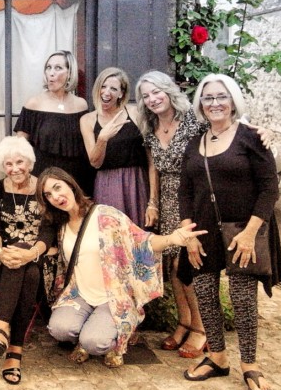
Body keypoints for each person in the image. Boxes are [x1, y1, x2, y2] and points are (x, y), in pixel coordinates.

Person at [178, 74, 281, 390]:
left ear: (233, 100)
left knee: (242, 298)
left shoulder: (251, 137)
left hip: (242, 231)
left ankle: (250, 365)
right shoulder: (195, 141)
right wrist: (188, 234)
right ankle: (218, 358)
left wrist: (251, 233)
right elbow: (185, 190)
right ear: (200, 103)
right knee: (205, 292)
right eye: (208, 97)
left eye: (221, 96)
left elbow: (269, 189)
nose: (215, 103)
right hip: (203, 231)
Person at [39, 167, 205, 368]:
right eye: (48, 194)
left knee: (94, 343)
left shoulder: (105, 215)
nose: (56, 197)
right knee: (59, 329)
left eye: (58, 187)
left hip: (112, 297)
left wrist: (171, 239)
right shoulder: (61, 225)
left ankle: (110, 341)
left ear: (71, 185)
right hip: (80, 294)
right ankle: (92, 332)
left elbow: (140, 241)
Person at [136, 70, 210, 358]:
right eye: (146, 95)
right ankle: (184, 322)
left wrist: (260, 132)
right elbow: (153, 166)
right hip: (167, 198)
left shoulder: (194, 119)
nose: (153, 99)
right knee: (172, 266)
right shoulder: (150, 126)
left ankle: (201, 329)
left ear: (169, 91)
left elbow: (226, 131)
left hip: (193, 197)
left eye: (157, 92)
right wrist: (152, 203)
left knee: (186, 264)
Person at [0, 136, 55, 385]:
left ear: (30, 162)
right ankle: (15, 351)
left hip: (38, 254)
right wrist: (0, 252)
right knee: (27, 272)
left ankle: (1, 327)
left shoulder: (43, 188)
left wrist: (30, 253)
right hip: (4, 257)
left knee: (30, 268)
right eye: (8, 164)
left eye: (19, 162)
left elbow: (48, 231)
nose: (14, 169)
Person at [13, 50, 94, 196]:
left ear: (70, 73)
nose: (51, 73)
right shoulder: (34, 103)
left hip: (76, 178)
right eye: (48, 68)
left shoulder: (81, 105)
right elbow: (20, 148)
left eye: (58, 68)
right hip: (44, 178)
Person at [80, 67, 148, 227]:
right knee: (111, 232)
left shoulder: (135, 113)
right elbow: (95, 162)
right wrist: (102, 138)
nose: (106, 92)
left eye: (113, 88)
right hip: (107, 184)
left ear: (121, 94)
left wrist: (153, 202)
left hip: (135, 182)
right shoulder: (88, 120)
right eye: (103, 86)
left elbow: (151, 158)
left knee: (139, 233)